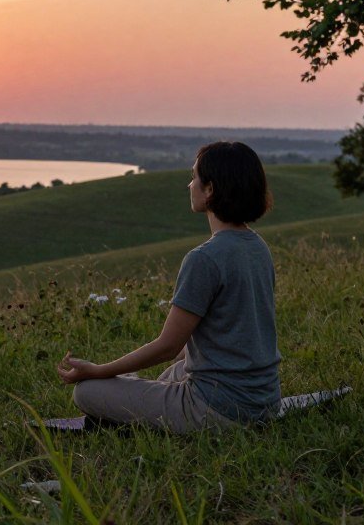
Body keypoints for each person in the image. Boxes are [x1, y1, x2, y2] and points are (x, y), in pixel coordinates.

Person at [56, 141, 281, 432]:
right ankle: (140, 393)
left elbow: (167, 345)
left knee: (86, 392)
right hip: (265, 402)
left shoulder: (204, 259)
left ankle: (137, 401)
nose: (189, 184)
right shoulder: (258, 247)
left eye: (194, 177)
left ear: (210, 189)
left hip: (216, 409)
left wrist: (100, 371)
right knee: (175, 371)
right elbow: (219, 338)